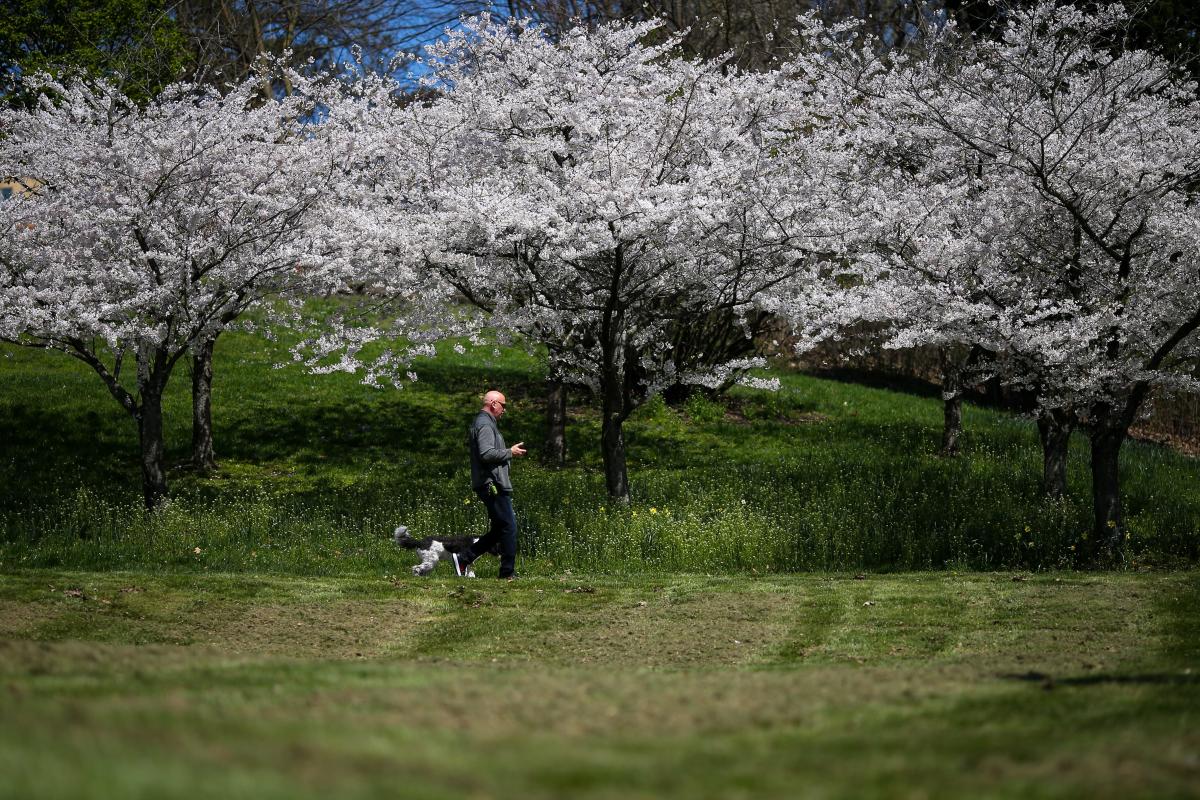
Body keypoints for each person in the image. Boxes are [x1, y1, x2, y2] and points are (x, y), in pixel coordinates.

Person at [455, 390, 526, 579]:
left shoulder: (484, 423)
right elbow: (486, 454)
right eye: (503, 405)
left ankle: (464, 558)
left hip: (490, 482)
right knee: (509, 527)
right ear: (493, 404)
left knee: (500, 528)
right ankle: (507, 573)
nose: (504, 410)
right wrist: (509, 452)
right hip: (491, 484)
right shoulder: (485, 424)